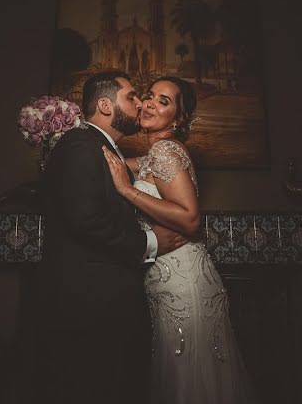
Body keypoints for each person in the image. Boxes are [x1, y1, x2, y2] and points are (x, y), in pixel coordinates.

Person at [29, 71, 187, 404]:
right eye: (131, 96)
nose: (140, 102)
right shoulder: (80, 145)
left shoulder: (101, 147)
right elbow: (85, 220)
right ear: (104, 104)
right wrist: (151, 242)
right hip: (87, 308)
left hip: (102, 306)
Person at [101, 77, 257, 404]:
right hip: (170, 283)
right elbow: (118, 164)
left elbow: (190, 218)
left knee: (188, 382)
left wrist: (127, 191)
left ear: (179, 118)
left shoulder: (166, 150)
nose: (150, 104)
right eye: (149, 96)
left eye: (164, 101)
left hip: (183, 286)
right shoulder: (154, 155)